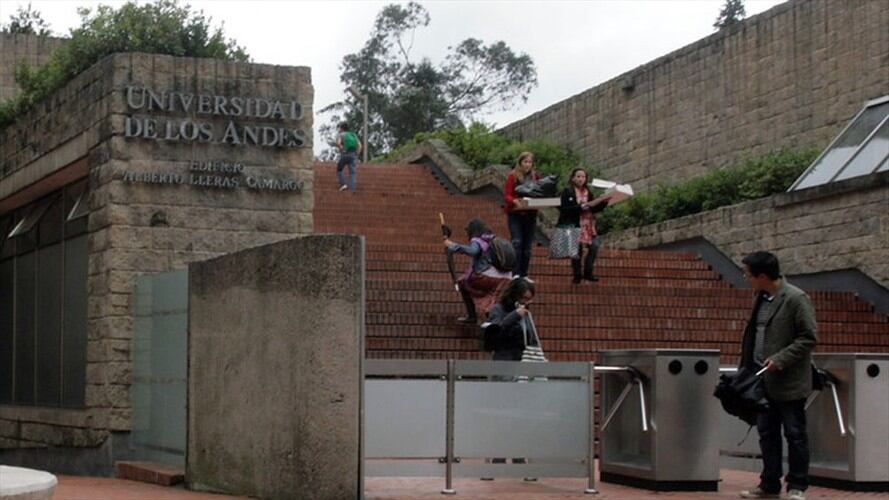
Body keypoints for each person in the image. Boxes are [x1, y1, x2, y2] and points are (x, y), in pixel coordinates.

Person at [738, 251, 817, 500]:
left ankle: (797, 486)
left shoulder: (795, 298)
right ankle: (769, 483)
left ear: (762, 276)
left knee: (795, 434)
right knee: (767, 433)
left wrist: (780, 360)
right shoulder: (760, 298)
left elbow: (808, 337)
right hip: (762, 378)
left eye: (748, 274)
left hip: (788, 381)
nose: (745, 277)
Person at [444, 219, 512, 324]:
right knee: (491, 295)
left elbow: (473, 251)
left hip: (487, 275)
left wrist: (453, 246)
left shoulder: (478, 240)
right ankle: (492, 319)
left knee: (462, 283)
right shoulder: (491, 239)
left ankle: (472, 316)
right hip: (505, 277)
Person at [557, 168, 608, 284]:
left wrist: (604, 202)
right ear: (573, 178)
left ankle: (588, 272)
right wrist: (581, 207)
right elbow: (564, 209)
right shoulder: (567, 191)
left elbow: (593, 208)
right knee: (577, 251)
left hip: (588, 224)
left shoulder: (588, 192)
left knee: (594, 247)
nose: (580, 179)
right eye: (578, 176)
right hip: (574, 223)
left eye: (583, 177)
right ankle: (577, 274)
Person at [503, 151, 540, 279]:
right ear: (520, 162)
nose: (527, 165)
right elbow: (507, 194)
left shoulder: (535, 177)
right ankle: (515, 273)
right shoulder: (513, 176)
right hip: (516, 214)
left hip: (530, 214)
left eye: (530, 162)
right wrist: (514, 201)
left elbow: (540, 192)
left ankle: (524, 273)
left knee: (527, 246)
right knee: (517, 242)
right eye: (525, 162)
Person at [485, 278, 538, 361]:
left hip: (522, 359)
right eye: (524, 298)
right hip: (504, 360)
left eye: (529, 300)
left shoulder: (525, 314)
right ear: (515, 296)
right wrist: (514, 316)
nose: (526, 302)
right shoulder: (498, 310)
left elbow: (532, 338)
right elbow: (496, 331)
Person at [335, 122, 362, 192]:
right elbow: (360, 145)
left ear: (341, 128)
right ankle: (352, 189)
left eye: (340, 128)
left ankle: (343, 184)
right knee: (352, 173)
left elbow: (338, 143)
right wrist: (356, 154)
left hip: (345, 154)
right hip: (353, 155)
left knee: (339, 169)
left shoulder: (341, 134)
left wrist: (342, 149)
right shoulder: (353, 135)